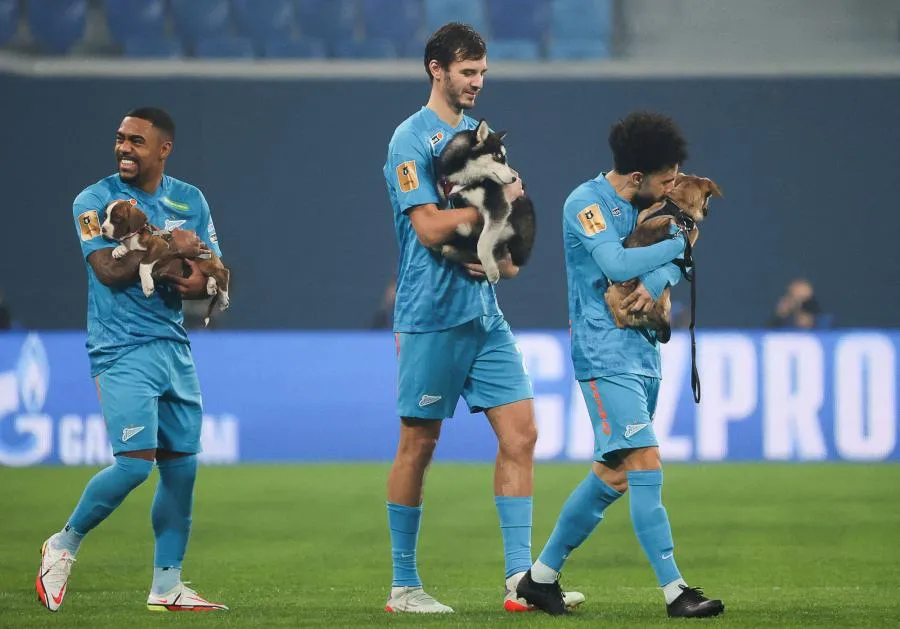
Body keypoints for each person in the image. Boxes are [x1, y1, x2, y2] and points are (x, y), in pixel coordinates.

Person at [381, 22, 583, 614]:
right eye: (467, 72)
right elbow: (425, 226)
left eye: (483, 73)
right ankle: (403, 586)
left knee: (522, 436)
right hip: (431, 313)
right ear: (435, 69)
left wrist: (501, 258)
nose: (477, 82)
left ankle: (520, 582)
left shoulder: (482, 138)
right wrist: (486, 218)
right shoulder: (409, 140)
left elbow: (513, 236)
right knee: (418, 444)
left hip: (483, 313)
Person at [516, 111, 725, 618]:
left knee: (613, 475)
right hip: (603, 352)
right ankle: (677, 592)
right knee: (646, 465)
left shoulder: (654, 206)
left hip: (644, 352)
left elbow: (675, 256)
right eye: (665, 179)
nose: (672, 188)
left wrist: (660, 277)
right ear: (638, 177)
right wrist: (678, 247)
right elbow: (614, 264)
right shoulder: (586, 203)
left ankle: (539, 579)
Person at [36, 107, 228, 613]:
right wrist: (171, 248)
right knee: (134, 466)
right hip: (121, 346)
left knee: (181, 470)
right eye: (121, 139)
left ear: (163, 149)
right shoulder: (95, 200)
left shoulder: (190, 199)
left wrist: (200, 280)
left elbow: (211, 273)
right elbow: (108, 270)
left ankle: (167, 586)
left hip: (174, 345)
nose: (124, 148)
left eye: (137, 142)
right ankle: (62, 545)